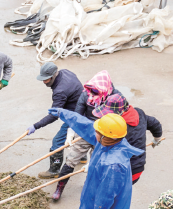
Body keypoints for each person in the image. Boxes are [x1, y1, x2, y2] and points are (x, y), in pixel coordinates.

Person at [90, 95, 164, 209]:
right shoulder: (138, 113)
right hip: (137, 169)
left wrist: (94, 164)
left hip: (123, 170)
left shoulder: (117, 129)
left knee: (112, 200)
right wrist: (157, 138)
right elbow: (154, 123)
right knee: (120, 197)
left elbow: (108, 150)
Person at [52, 70, 124, 201]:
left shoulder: (116, 97)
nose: (93, 94)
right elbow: (77, 115)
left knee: (96, 164)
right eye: (92, 91)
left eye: (96, 92)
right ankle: (59, 187)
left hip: (104, 135)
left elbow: (121, 118)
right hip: (85, 131)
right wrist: (70, 134)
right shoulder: (86, 94)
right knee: (71, 160)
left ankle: (88, 185)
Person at [27, 62, 83, 179]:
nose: (44, 82)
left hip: (75, 115)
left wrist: (36, 126)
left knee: (57, 142)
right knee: (81, 134)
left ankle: (54, 170)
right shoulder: (66, 72)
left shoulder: (60, 91)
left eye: (46, 79)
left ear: (53, 76)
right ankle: (82, 157)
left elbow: (53, 115)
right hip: (83, 107)